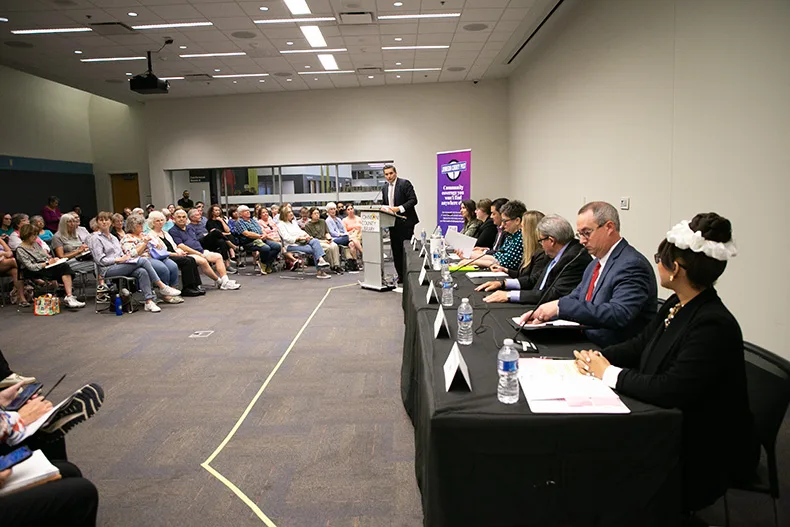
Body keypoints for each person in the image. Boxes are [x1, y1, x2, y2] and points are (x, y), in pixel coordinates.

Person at [573, 213, 758, 515]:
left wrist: (607, 372)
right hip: (673, 422)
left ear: (677, 270)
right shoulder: (677, 303)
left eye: (660, 257)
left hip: (702, 446)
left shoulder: (712, 323)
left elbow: (670, 389)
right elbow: (640, 344)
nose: (656, 262)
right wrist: (597, 358)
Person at [520, 201, 657, 347]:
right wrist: (545, 310)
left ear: (609, 227)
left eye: (587, 233)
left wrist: (561, 307)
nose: (582, 240)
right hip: (586, 339)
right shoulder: (595, 263)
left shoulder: (632, 264)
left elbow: (618, 314)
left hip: (612, 351)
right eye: (580, 234)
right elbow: (577, 295)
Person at [478, 214, 591, 304]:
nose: (541, 245)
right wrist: (504, 284)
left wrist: (509, 295)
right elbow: (535, 279)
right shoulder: (561, 252)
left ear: (551, 241)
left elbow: (553, 294)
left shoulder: (574, 257)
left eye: (541, 241)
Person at [88, 211, 182, 313]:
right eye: (101, 220)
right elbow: (100, 260)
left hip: (121, 265)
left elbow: (124, 254)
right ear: (97, 222)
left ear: (111, 222)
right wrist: (119, 259)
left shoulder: (114, 238)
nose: (104, 222)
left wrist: (124, 258)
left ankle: (149, 301)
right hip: (107, 270)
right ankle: (162, 286)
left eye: (107, 220)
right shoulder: (95, 238)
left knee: (142, 271)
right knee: (143, 260)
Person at [15, 224, 85, 308]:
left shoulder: (35, 244)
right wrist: (47, 263)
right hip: (35, 269)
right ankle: (68, 296)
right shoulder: (20, 249)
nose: (35, 237)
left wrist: (53, 259)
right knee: (63, 268)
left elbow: (45, 255)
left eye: (36, 234)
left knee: (64, 266)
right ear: (26, 235)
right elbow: (30, 266)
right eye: (33, 235)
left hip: (46, 265)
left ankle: (69, 295)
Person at [169, 210, 240, 290]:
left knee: (218, 256)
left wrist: (200, 251)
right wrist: (197, 253)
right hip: (189, 254)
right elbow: (181, 246)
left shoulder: (190, 228)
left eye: (183, 217)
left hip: (200, 250)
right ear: (174, 218)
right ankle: (219, 281)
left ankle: (225, 281)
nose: (181, 219)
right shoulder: (173, 231)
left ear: (186, 219)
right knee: (203, 261)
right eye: (179, 217)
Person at [120, 214, 183, 304]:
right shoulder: (127, 238)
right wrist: (144, 244)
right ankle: (165, 292)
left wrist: (157, 244)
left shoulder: (143, 234)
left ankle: (173, 290)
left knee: (173, 266)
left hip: (155, 256)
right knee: (162, 268)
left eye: (142, 224)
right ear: (132, 226)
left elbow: (157, 246)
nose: (142, 227)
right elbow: (132, 254)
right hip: (142, 259)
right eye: (139, 225)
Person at [148, 211, 204, 297]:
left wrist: (180, 251)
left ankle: (195, 286)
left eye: (162, 220)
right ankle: (187, 288)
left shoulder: (165, 233)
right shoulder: (151, 235)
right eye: (157, 221)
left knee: (191, 259)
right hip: (165, 256)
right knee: (186, 261)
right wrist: (176, 254)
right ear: (152, 222)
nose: (160, 222)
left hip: (175, 253)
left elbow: (174, 246)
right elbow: (160, 252)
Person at [459, 200, 527, 271]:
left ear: (517, 221)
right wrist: (469, 256)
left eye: (505, 221)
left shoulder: (520, 238)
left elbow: (503, 263)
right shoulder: (511, 235)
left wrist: (473, 261)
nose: (503, 224)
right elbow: (497, 257)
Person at [380, 164, 419, 283]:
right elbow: (385, 202)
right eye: (386, 174)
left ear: (395, 173)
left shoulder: (404, 183)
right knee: (396, 251)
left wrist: (399, 208)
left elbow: (413, 200)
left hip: (406, 221)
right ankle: (401, 276)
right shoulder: (385, 188)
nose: (389, 176)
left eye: (391, 173)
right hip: (392, 223)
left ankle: (409, 276)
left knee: (405, 250)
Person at [277, 205, 331, 279]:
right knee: (314, 249)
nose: (291, 213)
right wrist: (299, 238)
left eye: (291, 211)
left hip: (301, 242)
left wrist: (306, 235)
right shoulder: (281, 225)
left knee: (314, 241)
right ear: (284, 214)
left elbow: (300, 231)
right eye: (289, 212)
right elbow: (286, 238)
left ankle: (321, 261)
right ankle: (320, 270)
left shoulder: (293, 222)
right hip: (291, 245)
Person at [233, 205, 281, 275]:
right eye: (245, 211)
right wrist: (259, 236)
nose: (248, 212)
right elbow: (247, 234)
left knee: (277, 246)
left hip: (261, 238)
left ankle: (265, 263)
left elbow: (261, 229)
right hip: (249, 242)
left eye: (248, 210)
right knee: (266, 248)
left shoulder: (252, 220)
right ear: (240, 214)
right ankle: (264, 263)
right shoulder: (239, 222)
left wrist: (264, 234)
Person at [187, 209, 236, 273]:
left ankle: (227, 265)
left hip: (209, 241)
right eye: (198, 215)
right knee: (215, 231)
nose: (200, 216)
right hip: (200, 242)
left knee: (221, 241)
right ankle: (232, 245)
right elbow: (194, 239)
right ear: (192, 217)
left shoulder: (203, 224)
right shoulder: (189, 227)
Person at [303, 207, 343, 274]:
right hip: (317, 242)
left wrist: (329, 238)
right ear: (311, 215)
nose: (317, 215)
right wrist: (324, 241)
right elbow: (311, 238)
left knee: (334, 246)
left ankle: (337, 265)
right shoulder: (307, 225)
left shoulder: (322, 221)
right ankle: (332, 265)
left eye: (318, 213)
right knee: (329, 247)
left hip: (325, 239)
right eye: (315, 213)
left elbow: (326, 232)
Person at [0, 237, 26, 307]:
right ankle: (32, 277)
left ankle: (22, 298)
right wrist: (4, 254)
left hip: (4, 263)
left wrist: (4, 254)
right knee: (14, 261)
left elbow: (10, 252)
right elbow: (7, 254)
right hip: (4, 262)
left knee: (15, 271)